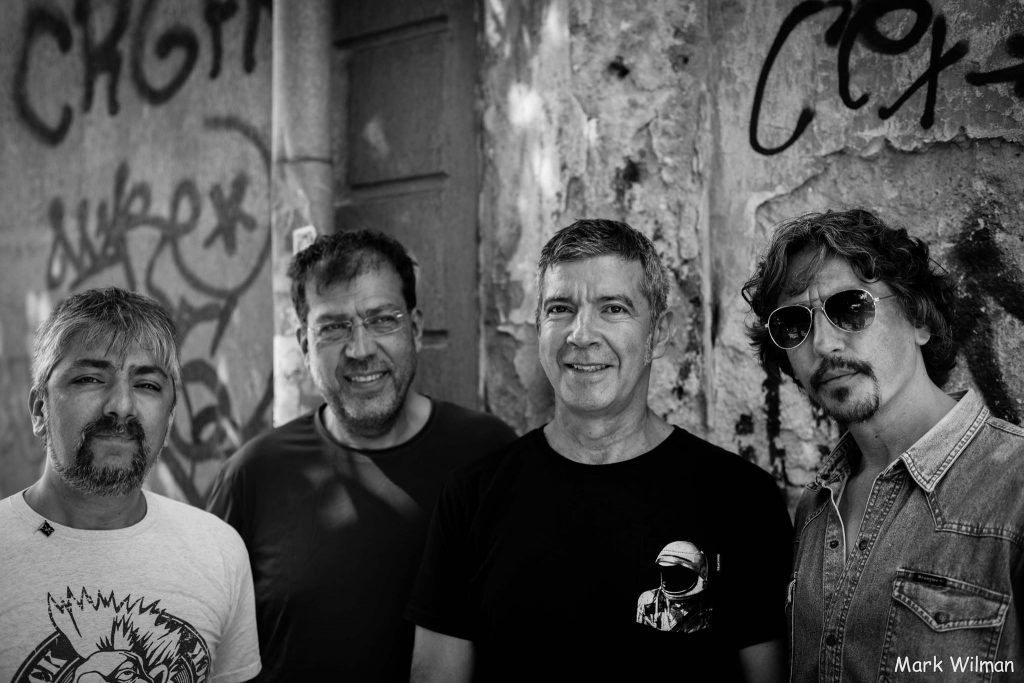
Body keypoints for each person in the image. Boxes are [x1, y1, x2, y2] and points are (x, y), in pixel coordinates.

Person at [408, 219, 793, 683]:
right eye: (560, 309)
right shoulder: (471, 498)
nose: (581, 334)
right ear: (538, 328)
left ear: (659, 332)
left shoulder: (741, 499)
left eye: (613, 308)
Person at [206, 230, 516, 681]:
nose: (360, 349)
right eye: (333, 328)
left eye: (382, 320)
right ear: (305, 344)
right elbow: (205, 647)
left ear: (415, 328)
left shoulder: (488, 456)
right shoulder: (253, 475)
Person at [743, 208, 1024, 681]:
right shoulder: (816, 507)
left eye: (851, 308)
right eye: (794, 324)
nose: (824, 344)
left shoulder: (1014, 486)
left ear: (918, 318)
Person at [0, 287, 260, 683]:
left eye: (147, 385)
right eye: (90, 378)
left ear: (169, 419)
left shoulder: (220, 552)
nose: (121, 406)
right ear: (40, 410)